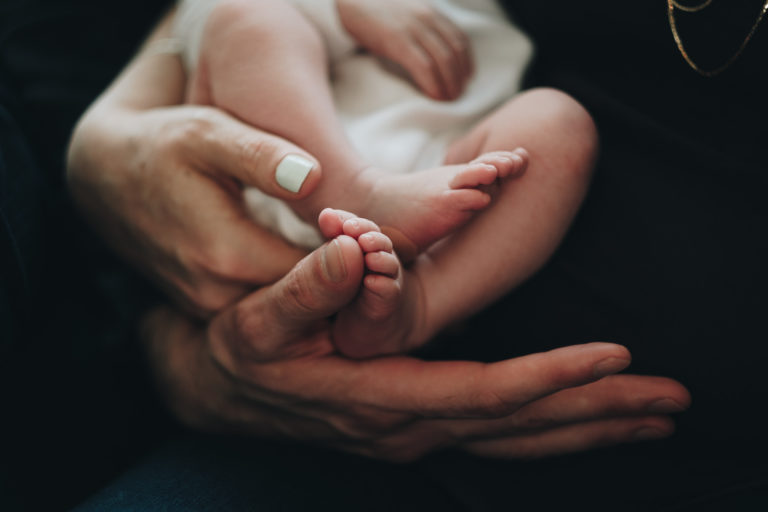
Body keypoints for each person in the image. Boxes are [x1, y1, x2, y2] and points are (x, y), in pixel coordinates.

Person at [171, 0, 597, 358]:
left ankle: (423, 304)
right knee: (244, 17)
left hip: (450, 171)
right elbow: (197, 18)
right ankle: (358, 193)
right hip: (297, 162)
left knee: (559, 122)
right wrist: (341, 9)